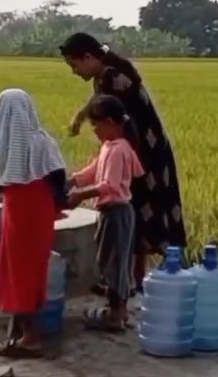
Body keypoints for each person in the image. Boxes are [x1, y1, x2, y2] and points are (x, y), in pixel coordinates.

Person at [59, 32, 187, 294]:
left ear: (88, 57)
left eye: (75, 65)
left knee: (135, 211)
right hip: (146, 150)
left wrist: (81, 190)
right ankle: (133, 281)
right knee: (140, 212)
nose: (74, 71)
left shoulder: (111, 79)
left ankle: (124, 283)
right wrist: (80, 117)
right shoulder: (109, 72)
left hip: (143, 151)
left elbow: (109, 183)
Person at [0, 88, 67, 358]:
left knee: (15, 268)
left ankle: (29, 336)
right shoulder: (42, 141)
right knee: (34, 267)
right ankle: (27, 333)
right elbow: (58, 178)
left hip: (16, 207)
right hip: (40, 208)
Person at [68, 94, 145, 332]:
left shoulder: (119, 150)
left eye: (96, 125)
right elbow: (94, 171)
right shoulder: (111, 147)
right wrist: (74, 180)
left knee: (114, 264)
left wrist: (80, 195)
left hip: (117, 213)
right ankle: (117, 310)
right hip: (112, 213)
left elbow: (109, 185)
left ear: (110, 122)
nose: (95, 131)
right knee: (109, 261)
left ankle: (117, 314)